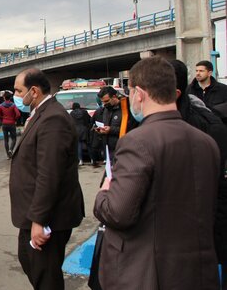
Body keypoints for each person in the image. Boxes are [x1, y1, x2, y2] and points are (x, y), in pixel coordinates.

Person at [94, 56, 220, 289]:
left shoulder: (137, 142)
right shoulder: (206, 142)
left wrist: (103, 194)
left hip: (148, 273)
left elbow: (118, 213)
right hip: (197, 272)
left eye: (130, 92)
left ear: (139, 94)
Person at [10, 68, 84, 290]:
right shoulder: (41, 113)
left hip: (48, 217)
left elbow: (49, 174)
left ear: (34, 91)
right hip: (34, 212)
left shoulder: (53, 119)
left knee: (46, 277)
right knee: (30, 262)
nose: (15, 95)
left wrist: (39, 221)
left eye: (17, 90)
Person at [171, 59, 227, 286]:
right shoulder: (191, 93)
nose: (198, 73)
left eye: (202, 70)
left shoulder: (206, 120)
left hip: (205, 212)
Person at [96, 86, 136, 161]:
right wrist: (101, 130)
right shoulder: (106, 110)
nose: (104, 104)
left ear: (114, 97)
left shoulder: (126, 109)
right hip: (109, 150)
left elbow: (130, 129)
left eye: (107, 101)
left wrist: (111, 129)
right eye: (102, 102)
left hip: (123, 149)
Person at [0, 91, 21, 158]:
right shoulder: (13, 105)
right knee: (14, 139)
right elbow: (18, 114)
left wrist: (2, 118)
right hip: (12, 123)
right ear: (10, 97)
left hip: (4, 123)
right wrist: (14, 119)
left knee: (6, 140)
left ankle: (8, 155)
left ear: (4, 97)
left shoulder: (1, 105)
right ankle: (11, 149)